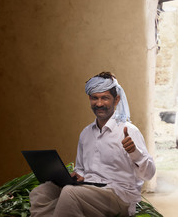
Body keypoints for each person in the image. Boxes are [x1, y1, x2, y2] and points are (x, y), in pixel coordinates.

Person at [29, 71, 156, 217]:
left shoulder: (129, 131)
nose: (99, 103)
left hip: (119, 195)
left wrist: (135, 152)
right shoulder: (86, 133)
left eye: (105, 98)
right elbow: (81, 169)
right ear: (89, 99)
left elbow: (149, 174)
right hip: (88, 189)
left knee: (70, 193)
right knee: (41, 192)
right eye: (94, 98)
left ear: (116, 100)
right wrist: (79, 175)